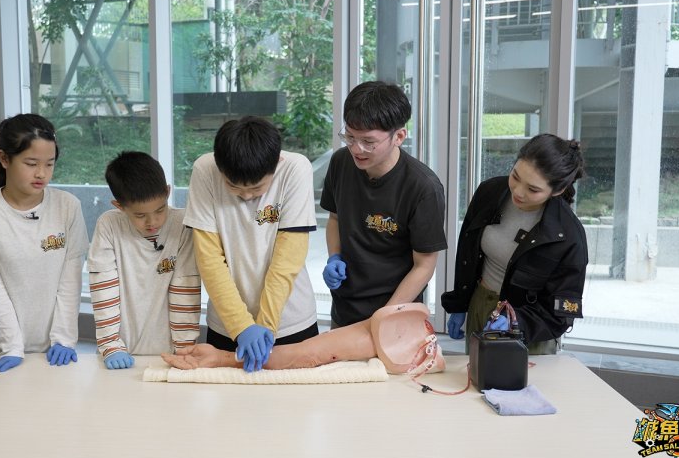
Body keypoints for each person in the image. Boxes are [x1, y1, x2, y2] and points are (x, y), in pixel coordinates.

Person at [184, 116, 318, 372]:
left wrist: (265, 326)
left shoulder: (295, 169)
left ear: (277, 163)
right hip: (227, 325)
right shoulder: (205, 170)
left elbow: (287, 261)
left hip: (291, 323)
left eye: (257, 189)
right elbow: (209, 260)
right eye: (232, 186)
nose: (246, 196)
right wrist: (241, 326)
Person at [0, 114, 89, 384]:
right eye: (31, 164)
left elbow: (70, 281)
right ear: (4, 159)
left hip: (53, 349)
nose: (41, 173)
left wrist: (64, 338)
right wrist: (11, 346)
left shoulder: (68, 206)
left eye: (49, 164)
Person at [441, 133, 588, 354]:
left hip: (529, 330)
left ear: (557, 190)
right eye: (515, 176)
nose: (518, 191)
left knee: (517, 377)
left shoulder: (567, 236)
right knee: (476, 374)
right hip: (480, 304)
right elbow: (467, 250)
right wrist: (460, 303)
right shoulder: (489, 193)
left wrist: (515, 321)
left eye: (533, 189)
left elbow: (560, 316)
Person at [320, 81, 448, 328]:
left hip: (395, 314)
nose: (357, 149)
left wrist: (383, 318)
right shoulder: (340, 163)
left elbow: (424, 265)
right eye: (350, 137)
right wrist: (334, 256)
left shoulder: (423, 187)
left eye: (368, 141)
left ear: (398, 136)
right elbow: (335, 218)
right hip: (345, 309)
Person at [88, 151, 201, 370]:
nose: (153, 221)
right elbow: (103, 290)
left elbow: (186, 289)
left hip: (171, 352)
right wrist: (110, 344)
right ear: (119, 206)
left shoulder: (182, 225)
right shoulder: (109, 226)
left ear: (167, 192)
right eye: (140, 215)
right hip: (120, 347)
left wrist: (185, 348)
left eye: (160, 210)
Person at [162, 303, 444, 376]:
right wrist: (221, 358)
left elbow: (310, 354)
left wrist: (222, 358)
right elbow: (309, 354)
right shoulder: (386, 327)